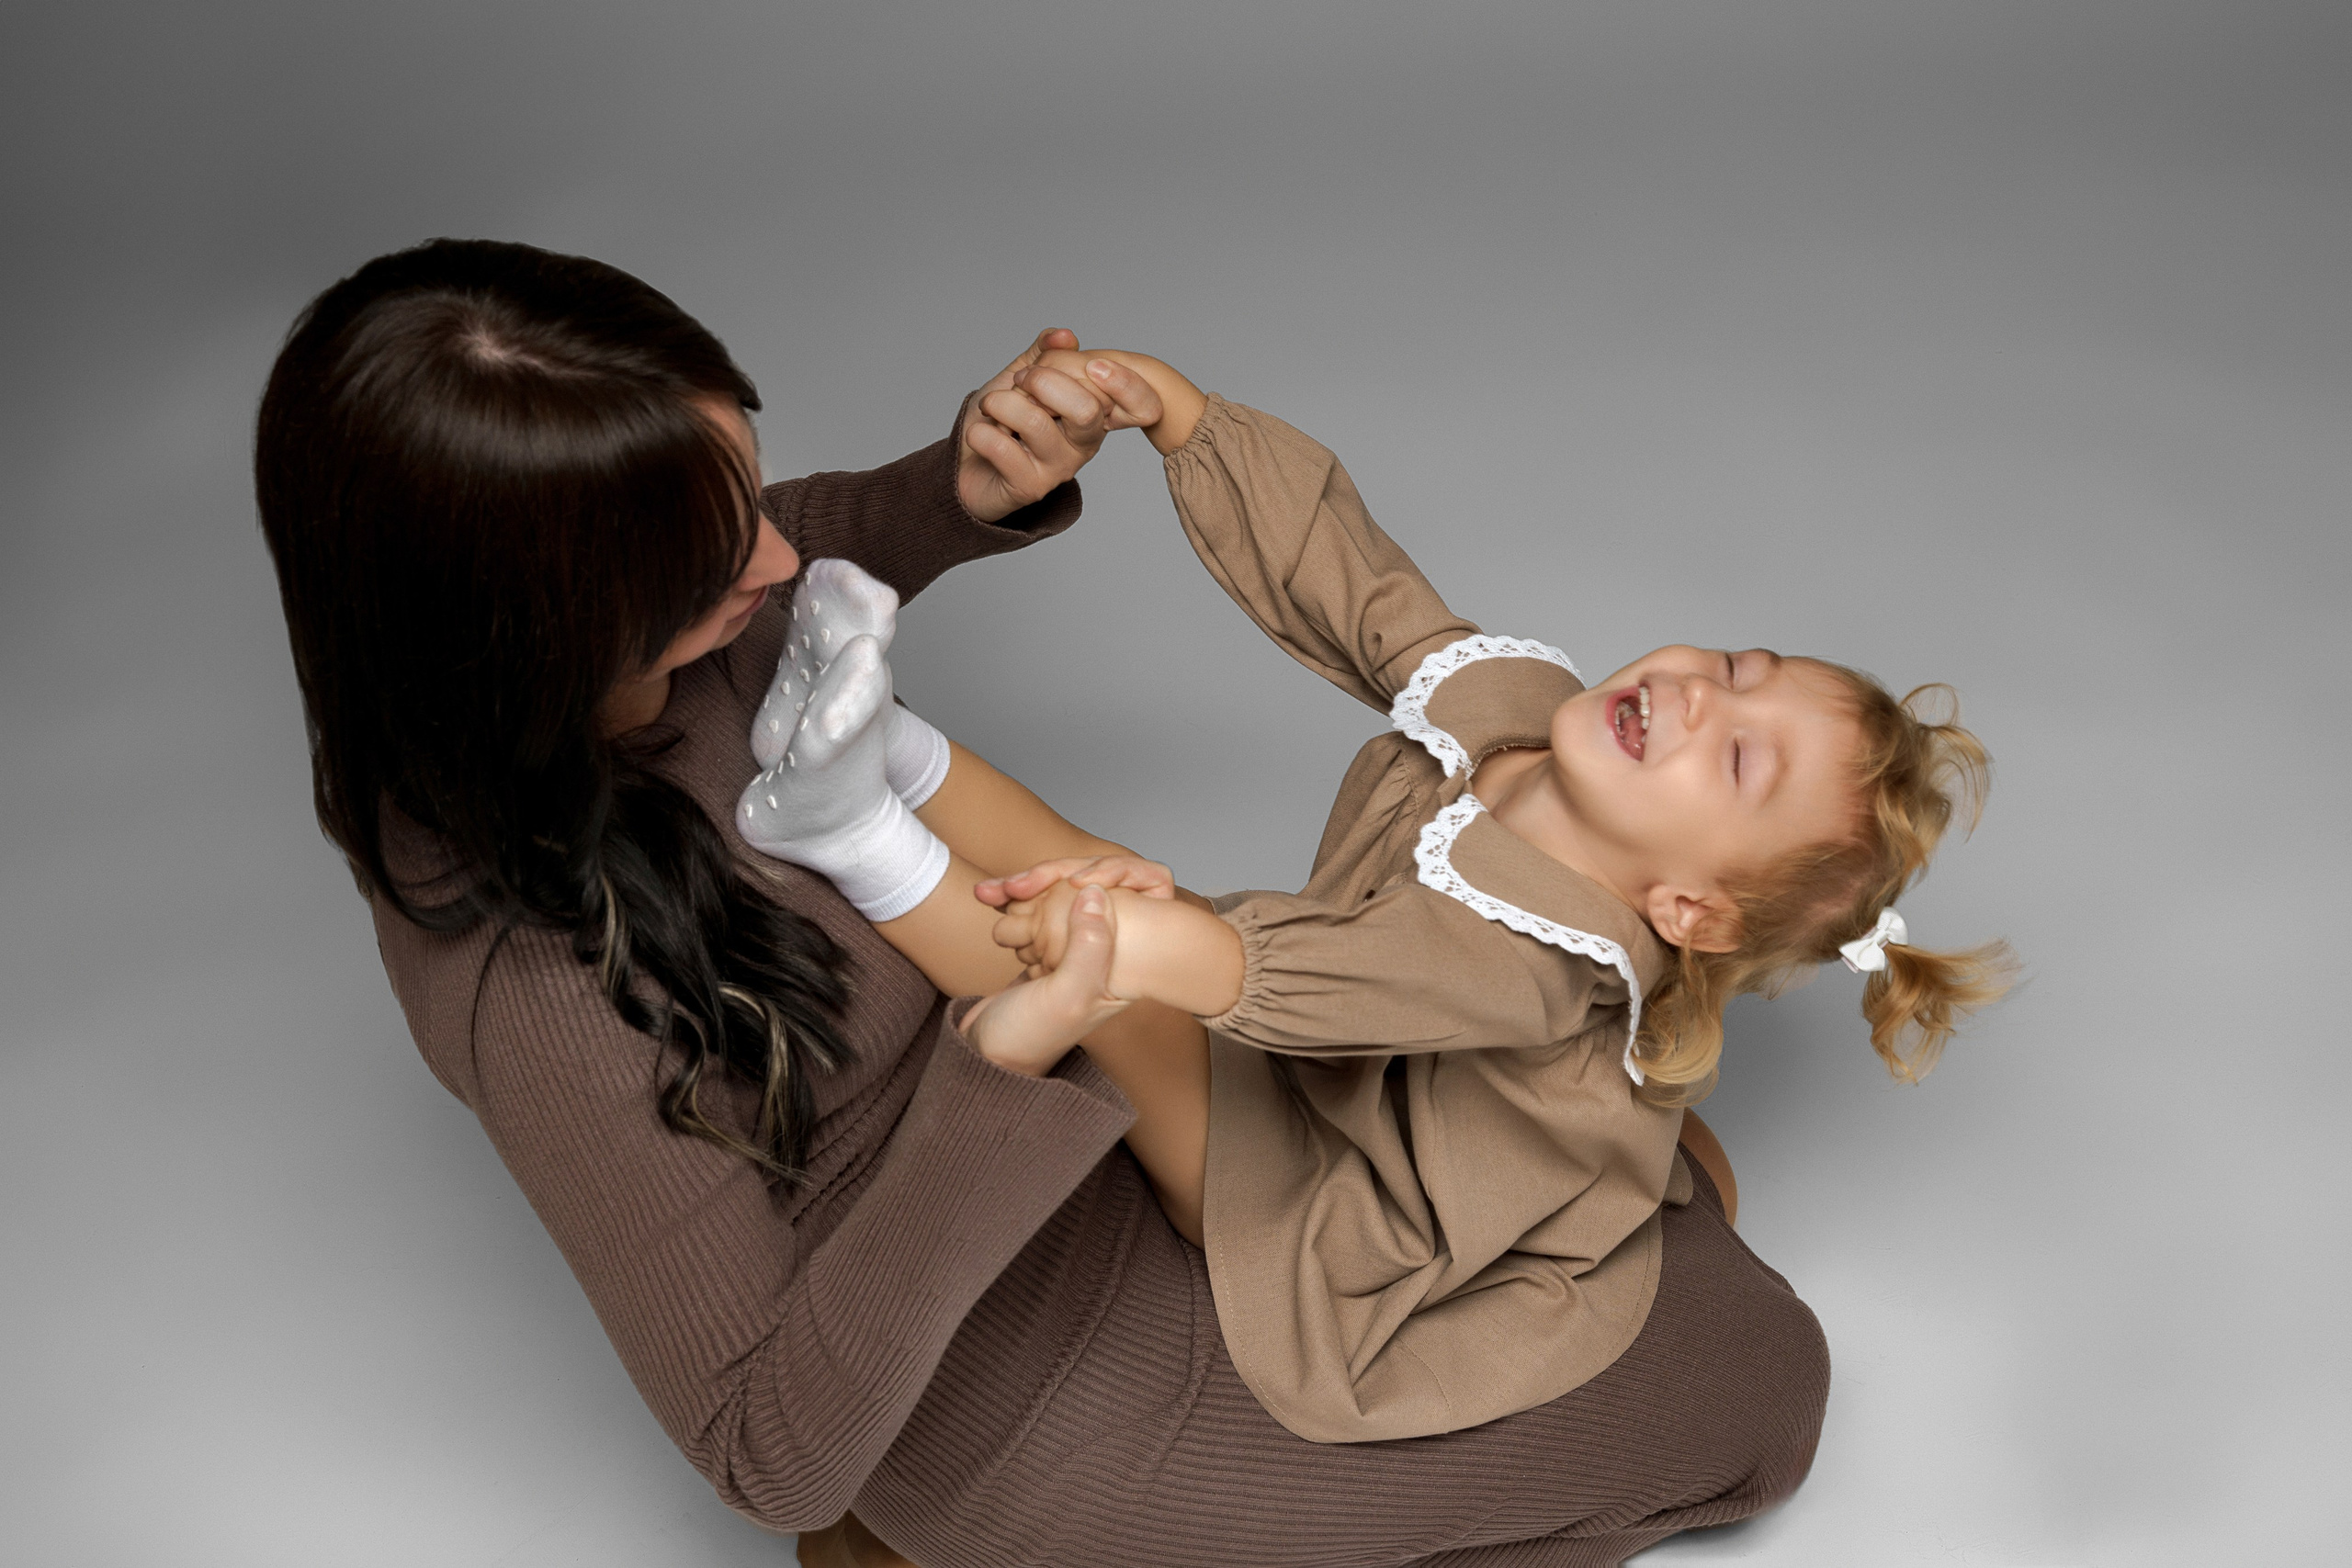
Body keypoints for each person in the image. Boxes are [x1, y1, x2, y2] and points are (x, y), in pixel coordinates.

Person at [256, 237, 1833, 1568]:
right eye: (709, 557)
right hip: (1004, 1361)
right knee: (1760, 1390)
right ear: (531, 634)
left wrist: (965, 482)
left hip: (1129, 1124)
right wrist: (999, 1068)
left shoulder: (643, 614)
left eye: (748, 476)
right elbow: (762, 1453)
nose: (784, 551)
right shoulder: (528, 991)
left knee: (1569, 1199)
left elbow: (818, 551)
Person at [739, 350, 2010, 1447]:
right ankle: (880, 737)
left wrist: (1146, 936)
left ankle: (841, 823)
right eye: (1738, 668)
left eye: (1736, 759)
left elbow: (1301, 978)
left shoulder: (1526, 965)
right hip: (1333, 1052)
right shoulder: (1521, 717)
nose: (1697, 695)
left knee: (1104, 994)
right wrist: (1193, 424)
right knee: (1095, 860)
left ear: (1684, 910)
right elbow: (1351, 584)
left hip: (1342, 1212)